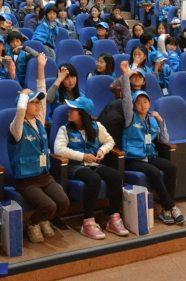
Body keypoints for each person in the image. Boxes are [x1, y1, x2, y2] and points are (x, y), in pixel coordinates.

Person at [9, 54, 69, 243]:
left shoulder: (39, 122)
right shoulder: (16, 127)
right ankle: (33, 223)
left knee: (64, 203)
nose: (37, 106)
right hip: (26, 180)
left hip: (44, 175)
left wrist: (41, 67)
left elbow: (42, 90)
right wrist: (24, 96)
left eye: (37, 103)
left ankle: (43, 219)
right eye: (33, 103)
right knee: (49, 206)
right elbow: (19, 112)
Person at [53, 97, 129, 239]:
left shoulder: (97, 126)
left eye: (73, 109)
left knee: (115, 176)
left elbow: (109, 141)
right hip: (75, 166)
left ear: (83, 113)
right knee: (94, 179)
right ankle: (88, 222)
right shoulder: (65, 129)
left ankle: (114, 218)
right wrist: (82, 156)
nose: (69, 111)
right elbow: (59, 150)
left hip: (94, 163)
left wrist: (102, 151)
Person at [120, 61, 185, 225]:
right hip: (133, 159)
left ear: (150, 104)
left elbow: (164, 140)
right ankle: (170, 206)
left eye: (145, 102)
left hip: (150, 155)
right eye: (139, 102)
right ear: (134, 106)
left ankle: (165, 211)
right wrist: (126, 76)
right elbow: (126, 99)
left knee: (172, 167)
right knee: (154, 171)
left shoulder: (152, 119)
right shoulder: (130, 117)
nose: (142, 105)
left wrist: (161, 121)